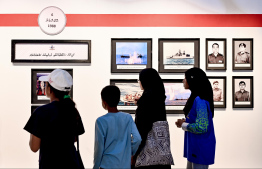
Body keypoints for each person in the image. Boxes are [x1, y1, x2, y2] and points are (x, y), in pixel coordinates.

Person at [24, 69, 85, 169]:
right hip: (71, 164)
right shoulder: (73, 111)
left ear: (49, 89)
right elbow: (73, 139)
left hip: (49, 164)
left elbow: (34, 147)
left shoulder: (41, 112)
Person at [175, 67, 216, 169]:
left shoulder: (200, 101)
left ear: (192, 80)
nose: (184, 80)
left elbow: (202, 127)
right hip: (196, 146)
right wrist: (186, 121)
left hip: (200, 147)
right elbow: (198, 119)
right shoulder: (196, 98)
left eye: (186, 78)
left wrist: (183, 124)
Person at [93, 85, 141, 169]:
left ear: (104, 101)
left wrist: (96, 166)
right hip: (125, 164)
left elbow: (99, 147)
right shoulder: (127, 117)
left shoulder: (101, 121)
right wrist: (130, 152)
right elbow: (137, 139)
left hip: (107, 164)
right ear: (118, 100)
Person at [132, 68, 171, 169]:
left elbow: (142, 130)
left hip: (147, 157)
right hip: (161, 156)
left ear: (145, 81)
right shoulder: (159, 98)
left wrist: (134, 153)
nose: (139, 82)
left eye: (139, 79)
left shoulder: (146, 101)